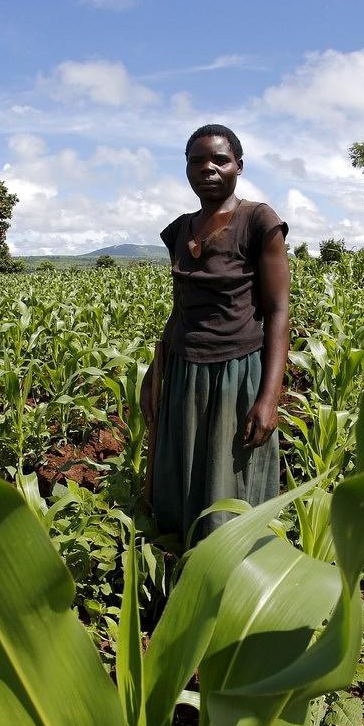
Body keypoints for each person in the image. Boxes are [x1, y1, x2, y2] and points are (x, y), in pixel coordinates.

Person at [140, 124, 290, 546]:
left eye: (219, 160)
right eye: (196, 160)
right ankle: (180, 563)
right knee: (183, 473)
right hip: (185, 370)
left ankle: (231, 567)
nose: (207, 168)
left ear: (238, 167)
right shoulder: (180, 230)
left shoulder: (259, 221)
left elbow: (279, 311)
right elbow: (179, 310)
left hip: (236, 372)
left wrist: (268, 398)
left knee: (229, 482)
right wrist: (156, 372)